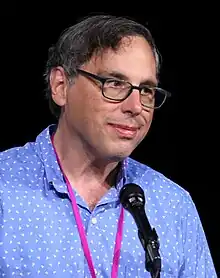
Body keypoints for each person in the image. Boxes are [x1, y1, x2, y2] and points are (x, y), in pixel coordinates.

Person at [0, 14, 217, 278]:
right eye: (115, 84)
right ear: (60, 85)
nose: (136, 107)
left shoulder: (174, 206)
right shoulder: (5, 186)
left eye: (146, 90)